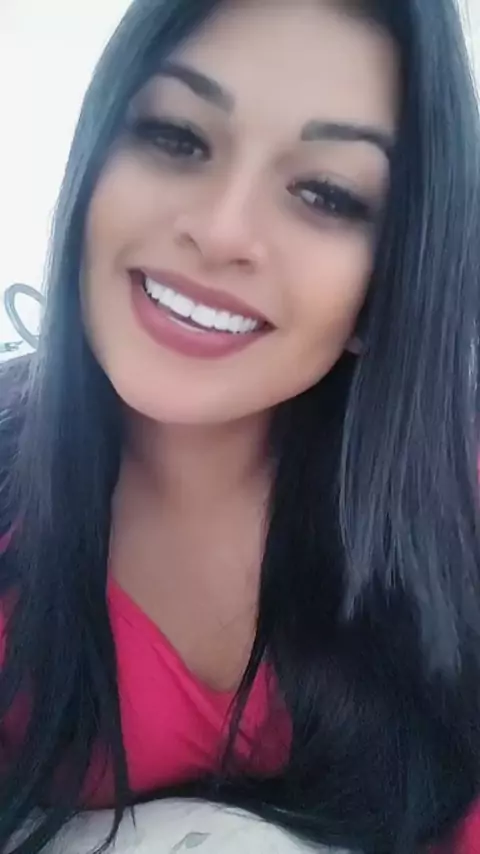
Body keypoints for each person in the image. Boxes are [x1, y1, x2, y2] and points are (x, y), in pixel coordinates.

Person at [1, 0, 480, 851]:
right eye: (176, 137)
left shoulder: (461, 502)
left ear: (392, 280)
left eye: (326, 193)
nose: (222, 232)